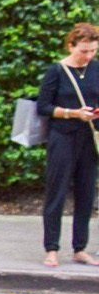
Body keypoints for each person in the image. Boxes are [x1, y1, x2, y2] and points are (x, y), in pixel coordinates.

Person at [36, 21, 99, 267]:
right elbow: (43, 107)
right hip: (62, 137)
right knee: (57, 192)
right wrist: (73, 113)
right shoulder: (57, 71)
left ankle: (80, 248)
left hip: (89, 138)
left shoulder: (96, 69)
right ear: (71, 46)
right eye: (83, 50)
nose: (88, 56)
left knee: (86, 193)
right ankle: (51, 248)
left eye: (93, 50)